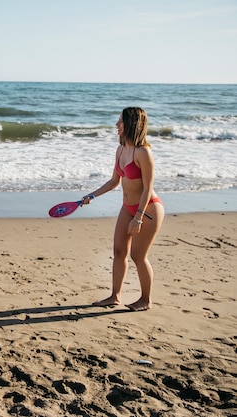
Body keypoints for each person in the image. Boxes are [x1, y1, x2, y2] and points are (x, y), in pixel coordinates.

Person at [80, 107, 164, 311]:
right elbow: (114, 181)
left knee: (138, 255)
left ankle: (146, 300)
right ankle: (114, 296)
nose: (116, 125)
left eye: (121, 121)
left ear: (132, 124)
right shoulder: (120, 150)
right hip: (127, 207)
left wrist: (139, 217)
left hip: (148, 209)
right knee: (118, 251)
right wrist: (91, 195)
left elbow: (147, 188)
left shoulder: (144, 152)